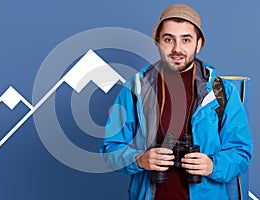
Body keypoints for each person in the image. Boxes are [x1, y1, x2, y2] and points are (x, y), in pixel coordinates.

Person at [100, 4, 253, 200]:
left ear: (199, 44)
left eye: (186, 40)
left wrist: (213, 165)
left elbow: (241, 152)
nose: (177, 49)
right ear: (157, 42)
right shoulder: (136, 88)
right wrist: (138, 160)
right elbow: (110, 148)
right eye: (168, 39)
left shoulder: (221, 91)